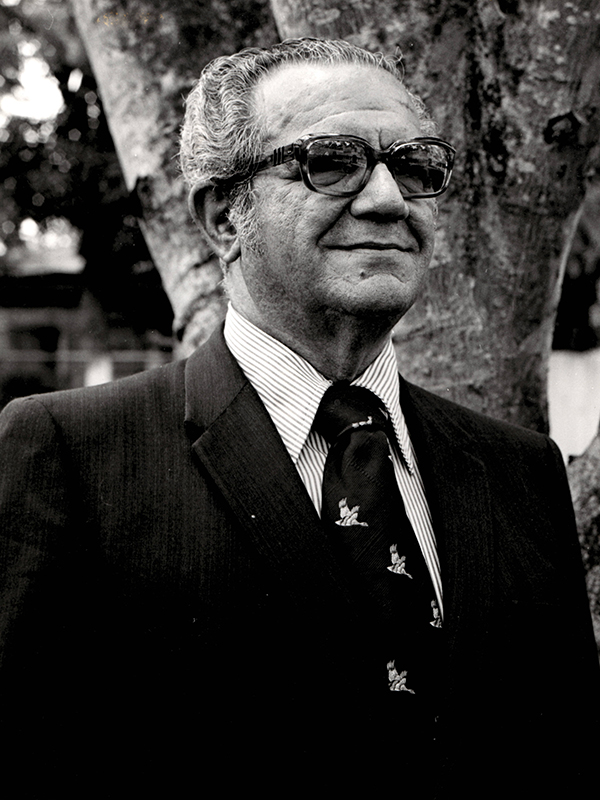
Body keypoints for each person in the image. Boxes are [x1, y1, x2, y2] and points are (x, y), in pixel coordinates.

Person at [0, 38, 598, 797]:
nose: (387, 199)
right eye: (331, 162)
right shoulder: (70, 455)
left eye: (414, 166)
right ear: (225, 217)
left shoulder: (521, 470)